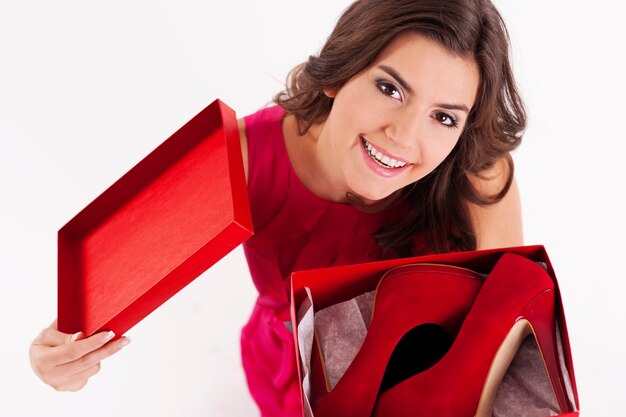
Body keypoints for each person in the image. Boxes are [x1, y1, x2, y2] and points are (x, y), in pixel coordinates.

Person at [29, 0, 526, 415]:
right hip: (294, 378)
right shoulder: (244, 157)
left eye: (444, 117)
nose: (405, 137)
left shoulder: (477, 175)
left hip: (418, 385)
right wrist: (57, 357)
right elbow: (101, 288)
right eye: (389, 88)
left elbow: (504, 332)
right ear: (339, 74)